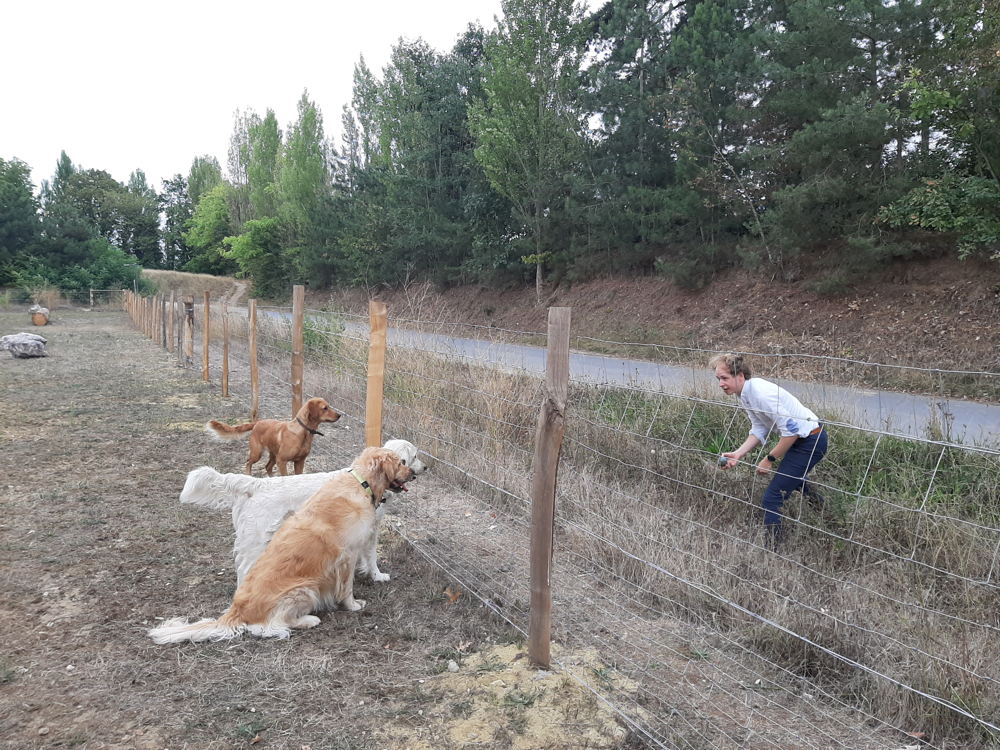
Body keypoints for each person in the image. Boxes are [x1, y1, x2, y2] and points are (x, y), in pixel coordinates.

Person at [710, 353, 828, 539]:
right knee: (794, 480)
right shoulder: (745, 394)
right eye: (718, 379)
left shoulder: (760, 394)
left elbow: (791, 432)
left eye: (724, 378)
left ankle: (773, 548)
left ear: (740, 375)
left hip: (810, 441)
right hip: (800, 440)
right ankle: (826, 515)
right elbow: (759, 427)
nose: (721, 384)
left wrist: (769, 459)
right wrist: (738, 454)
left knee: (772, 498)